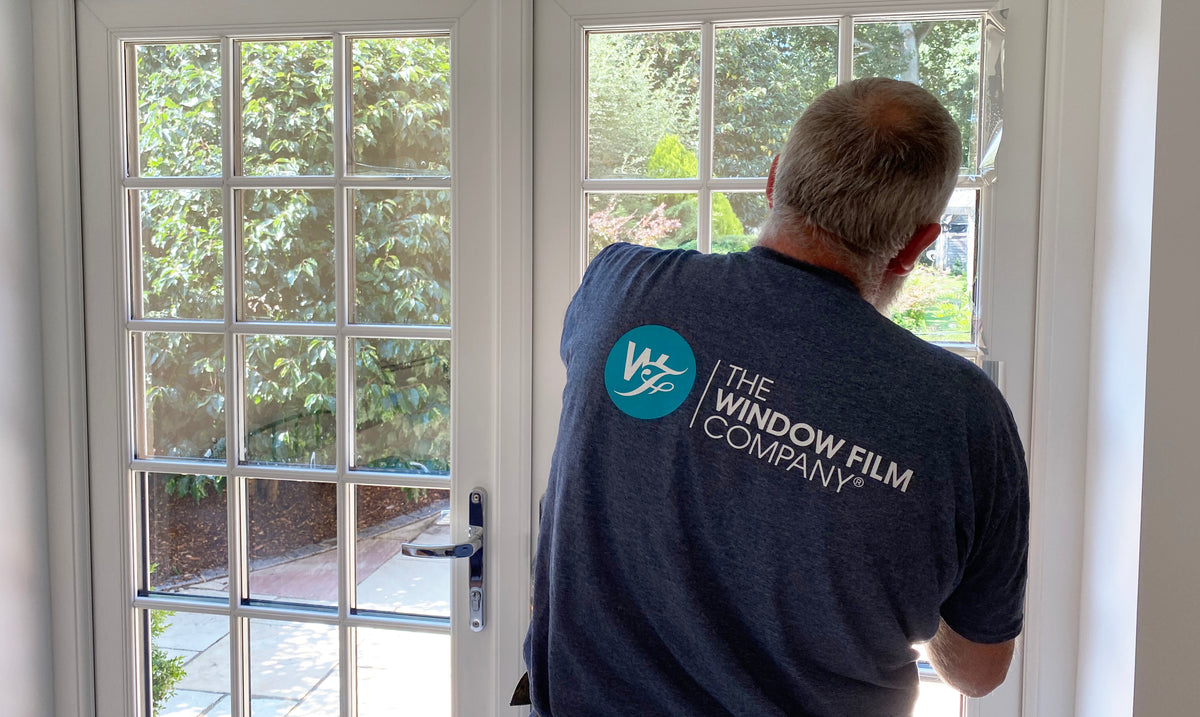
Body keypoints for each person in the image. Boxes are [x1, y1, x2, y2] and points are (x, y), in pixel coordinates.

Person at [521, 77, 1029, 716]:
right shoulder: (963, 414)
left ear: (772, 179)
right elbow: (979, 671)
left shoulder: (622, 289)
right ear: (917, 246)